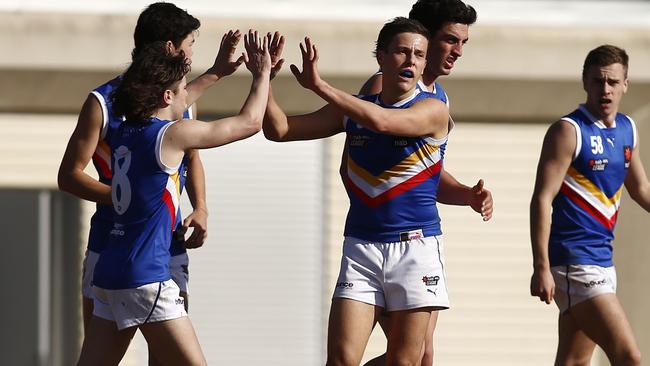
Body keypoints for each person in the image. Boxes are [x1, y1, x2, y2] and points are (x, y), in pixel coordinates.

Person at [57, 1, 243, 353]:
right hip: (109, 246)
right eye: (190, 45)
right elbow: (69, 176)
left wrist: (201, 207)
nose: (192, 53)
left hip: (164, 246)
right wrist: (123, 197)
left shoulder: (178, 98)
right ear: (170, 47)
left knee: (164, 357)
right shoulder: (103, 101)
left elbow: (191, 156)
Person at [264, 18, 451, 365]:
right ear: (381, 57)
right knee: (340, 360)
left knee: (407, 360)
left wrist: (319, 85)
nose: (411, 61)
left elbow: (383, 121)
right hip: (362, 247)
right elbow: (280, 129)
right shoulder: (352, 109)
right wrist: (264, 79)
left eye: (419, 55)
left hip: (415, 249)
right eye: (401, 52)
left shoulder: (432, 110)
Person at [359, 1, 486, 364]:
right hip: (377, 242)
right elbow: (356, 159)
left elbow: (424, 175)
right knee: (412, 356)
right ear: (426, 39)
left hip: (419, 242)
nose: (458, 52)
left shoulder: (438, 97)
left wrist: (467, 195)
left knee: (420, 356)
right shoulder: (383, 85)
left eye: (463, 43)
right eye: (450, 40)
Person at [530, 44, 649, 366]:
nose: (605, 89)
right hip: (574, 262)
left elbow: (640, 188)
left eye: (613, 82)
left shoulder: (627, 129)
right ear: (585, 82)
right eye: (598, 81)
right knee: (629, 356)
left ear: (626, 84)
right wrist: (541, 266)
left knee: (573, 361)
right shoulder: (569, 131)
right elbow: (542, 198)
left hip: (603, 260)